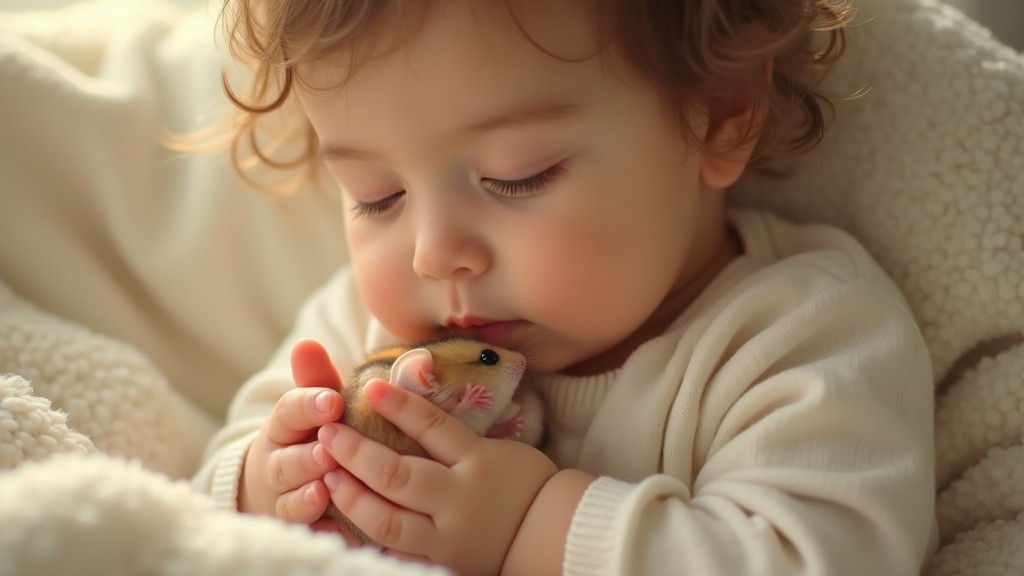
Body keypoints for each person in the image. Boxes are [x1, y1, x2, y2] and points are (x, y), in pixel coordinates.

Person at [193, 1, 937, 574]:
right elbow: (201, 504)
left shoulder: (800, 335)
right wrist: (274, 482)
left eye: (516, 176)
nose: (432, 254)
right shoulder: (369, 329)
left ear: (718, 116)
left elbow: (815, 559)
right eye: (376, 196)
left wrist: (530, 529)